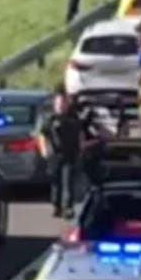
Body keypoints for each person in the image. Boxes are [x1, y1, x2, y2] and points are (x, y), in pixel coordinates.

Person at [47, 87, 82, 219]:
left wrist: (80, 150)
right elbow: (41, 135)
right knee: (56, 183)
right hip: (54, 156)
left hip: (70, 155)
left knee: (68, 182)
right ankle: (56, 206)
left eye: (63, 103)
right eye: (59, 104)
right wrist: (47, 151)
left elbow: (79, 135)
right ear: (55, 105)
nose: (61, 106)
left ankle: (68, 208)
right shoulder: (50, 120)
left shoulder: (73, 118)